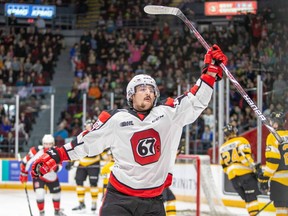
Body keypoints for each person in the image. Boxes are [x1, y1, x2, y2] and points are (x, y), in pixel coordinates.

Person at [31, 44, 227, 216]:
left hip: (153, 201)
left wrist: (209, 73)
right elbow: (86, 142)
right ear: (131, 95)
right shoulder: (116, 119)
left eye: (151, 89)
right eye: (142, 89)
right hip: (119, 199)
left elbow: (195, 101)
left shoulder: (169, 113)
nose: (148, 92)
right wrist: (56, 155)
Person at [19, 134, 66, 216]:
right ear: (43, 144)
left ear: (53, 144)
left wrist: (53, 167)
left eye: (50, 144)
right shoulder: (35, 150)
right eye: (46, 144)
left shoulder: (57, 152)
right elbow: (25, 161)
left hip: (52, 177)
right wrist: (24, 174)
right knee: (39, 193)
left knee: (57, 194)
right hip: (39, 176)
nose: (48, 146)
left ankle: (57, 211)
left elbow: (59, 167)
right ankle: (41, 212)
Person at [220, 123, 260, 216]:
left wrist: (233, 171)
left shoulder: (222, 148)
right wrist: (254, 167)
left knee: (247, 199)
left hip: (233, 178)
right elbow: (244, 157)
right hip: (245, 174)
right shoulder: (241, 141)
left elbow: (224, 167)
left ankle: (252, 214)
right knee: (252, 198)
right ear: (234, 131)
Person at [65, 119, 101, 213]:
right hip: (82, 163)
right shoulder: (81, 137)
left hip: (94, 163)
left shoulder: (99, 136)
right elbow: (76, 150)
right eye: (87, 126)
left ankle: (94, 203)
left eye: (90, 125)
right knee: (79, 182)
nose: (88, 127)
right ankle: (81, 204)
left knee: (93, 184)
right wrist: (71, 161)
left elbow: (104, 150)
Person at [257, 112, 288, 215]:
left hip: (280, 181)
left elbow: (273, 161)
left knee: (282, 211)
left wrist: (265, 177)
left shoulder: (272, 137)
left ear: (274, 124)